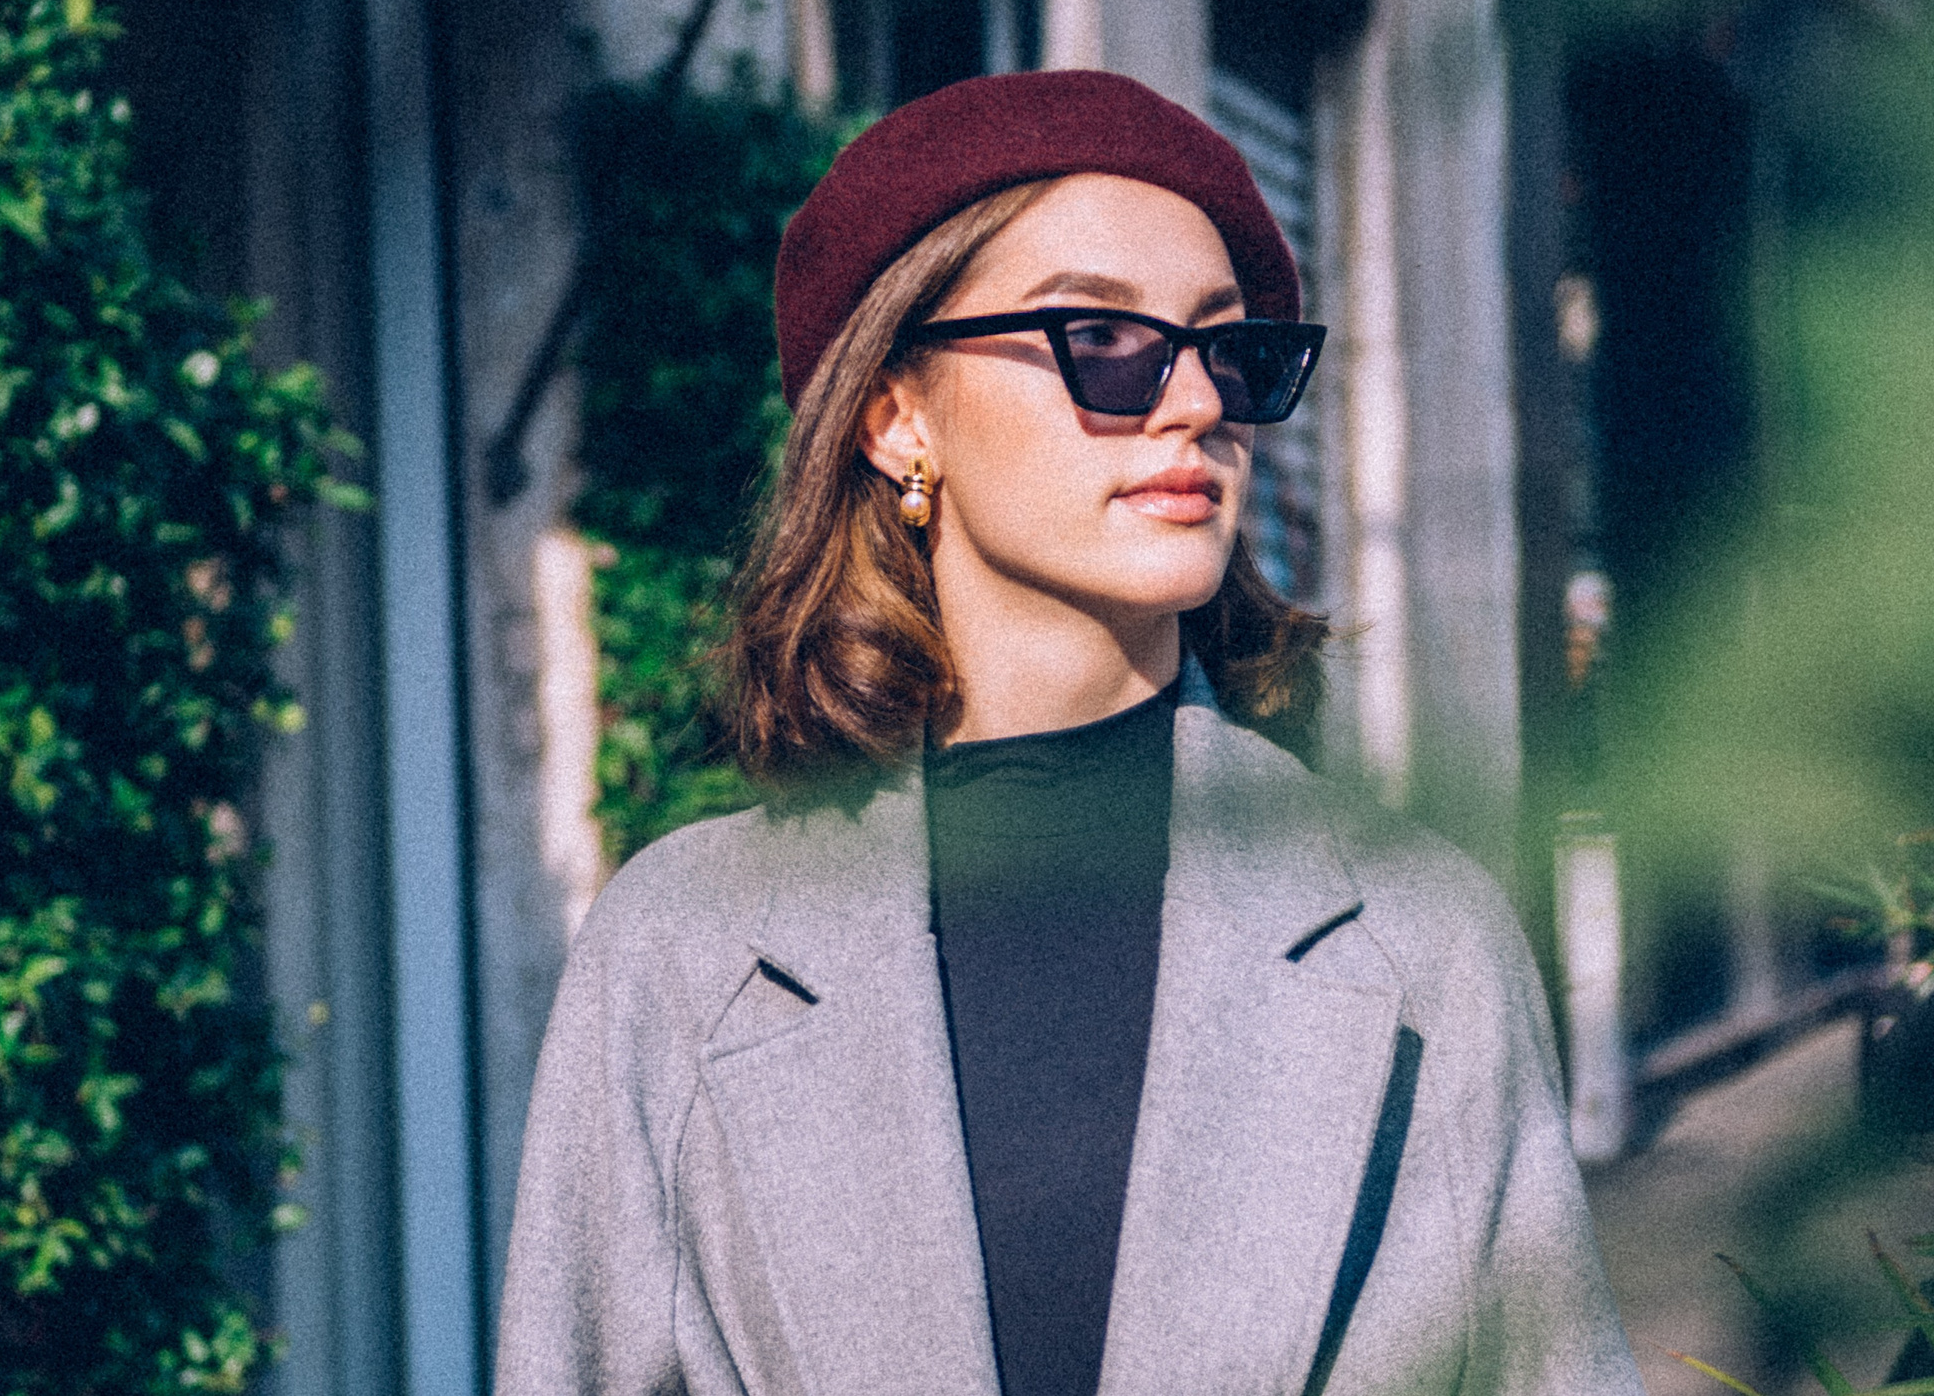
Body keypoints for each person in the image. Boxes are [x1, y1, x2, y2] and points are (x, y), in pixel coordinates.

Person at [495, 70, 1644, 1396]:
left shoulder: (1414, 929)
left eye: (1230, 348)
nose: (1199, 401)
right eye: (1105, 339)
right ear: (896, 413)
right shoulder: (683, 950)